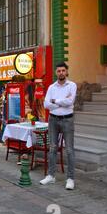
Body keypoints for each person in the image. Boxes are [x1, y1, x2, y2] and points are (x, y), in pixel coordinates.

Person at [40, 62, 77, 190]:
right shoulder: (51, 87)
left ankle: (70, 178)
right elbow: (46, 104)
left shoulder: (72, 85)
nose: (61, 72)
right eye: (58, 71)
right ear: (56, 72)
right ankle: (51, 175)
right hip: (53, 119)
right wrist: (61, 103)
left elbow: (70, 101)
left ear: (66, 72)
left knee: (69, 150)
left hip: (67, 120)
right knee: (52, 148)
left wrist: (55, 101)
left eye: (63, 70)